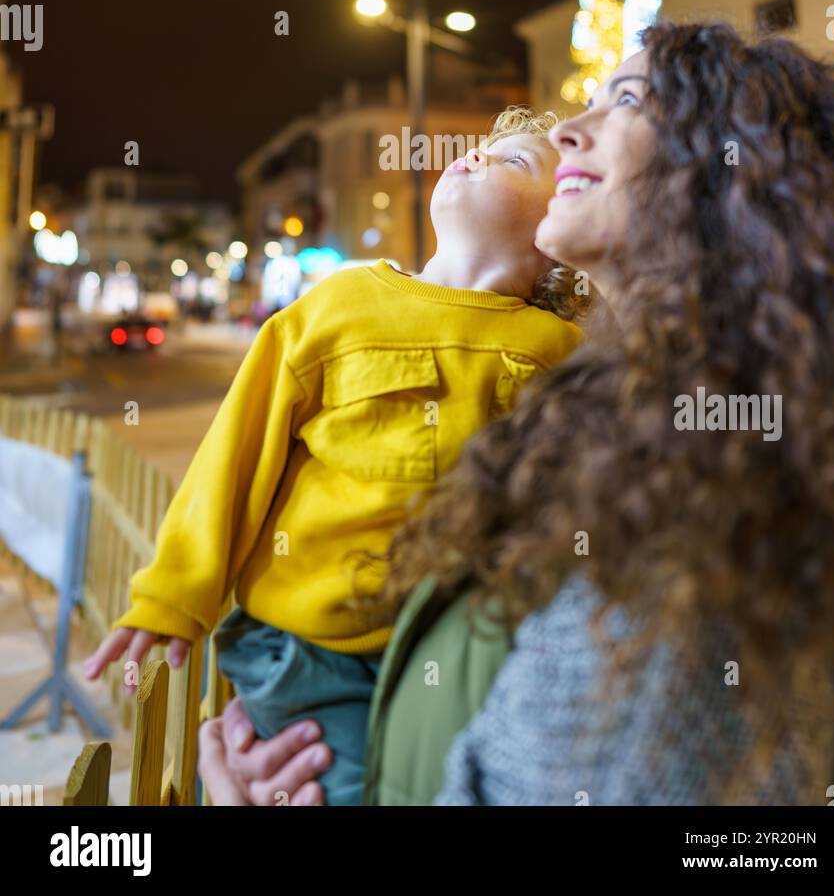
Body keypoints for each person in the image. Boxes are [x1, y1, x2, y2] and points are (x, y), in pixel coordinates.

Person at [199, 20, 834, 805]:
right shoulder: (593, 409)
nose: (567, 130)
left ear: (733, 172)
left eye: (628, 100)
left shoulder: (714, 500)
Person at [83, 107, 582, 806]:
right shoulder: (340, 303)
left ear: (557, 238)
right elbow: (237, 448)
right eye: (475, 151)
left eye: (513, 163)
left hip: (449, 646)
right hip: (311, 647)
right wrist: (171, 597)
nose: (471, 159)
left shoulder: (559, 349)